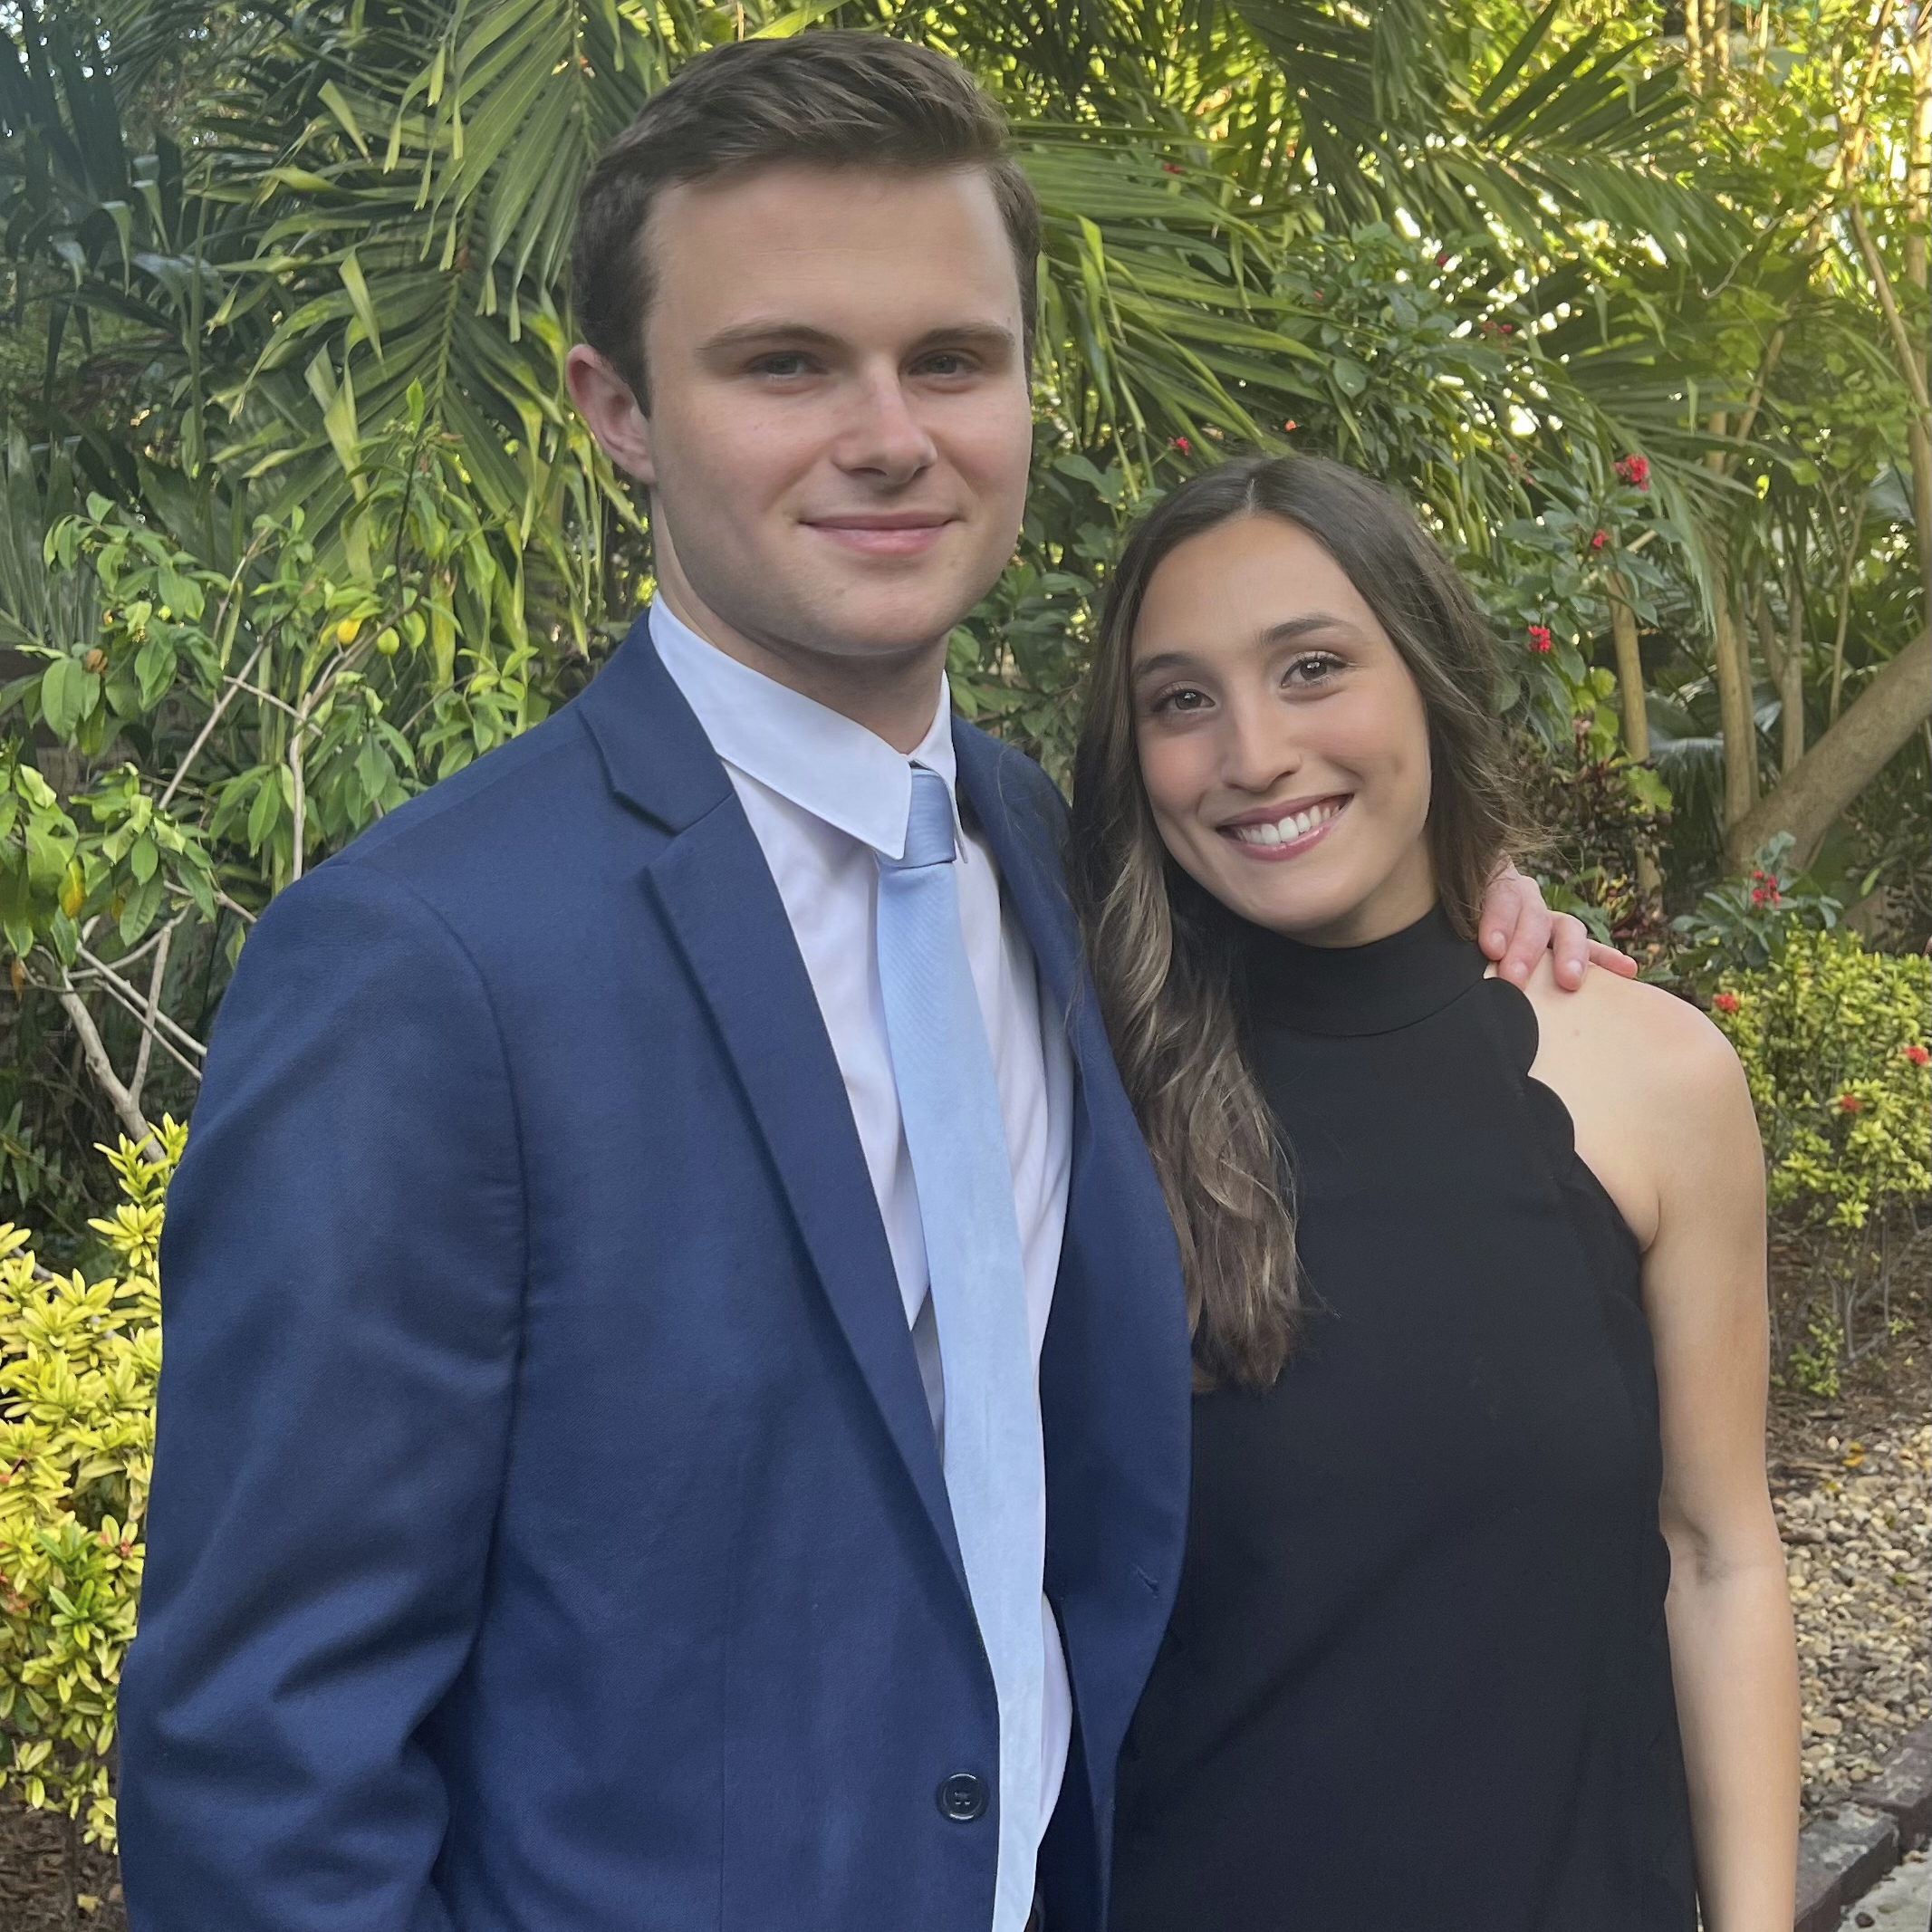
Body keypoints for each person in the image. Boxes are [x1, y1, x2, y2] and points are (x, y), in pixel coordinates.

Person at [116, 37, 1616, 1932]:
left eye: (950, 359)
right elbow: (261, 1760)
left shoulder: (1059, 865)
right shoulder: (427, 963)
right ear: (617, 408)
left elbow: (1321, 874)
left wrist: (1481, 884)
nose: (888, 431)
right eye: (783, 362)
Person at [1071, 455, 1802, 1932]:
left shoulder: (1652, 1078)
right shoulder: (1076, 1084)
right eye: (1180, 699)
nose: (1254, 750)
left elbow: (1714, 1553)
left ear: (1427, 672)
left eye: (1312, 666)